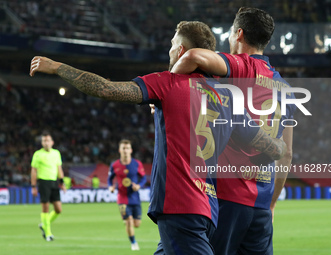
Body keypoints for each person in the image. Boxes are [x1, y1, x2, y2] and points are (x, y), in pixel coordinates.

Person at [29, 21, 286, 255]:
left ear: (181, 51)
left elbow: (106, 89)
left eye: (172, 45)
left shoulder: (167, 84)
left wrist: (58, 67)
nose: (169, 52)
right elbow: (270, 146)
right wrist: (280, 144)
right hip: (209, 210)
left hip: (181, 207)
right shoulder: (229, 100)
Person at [171, 8, 296, 255]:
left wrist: (168, 92)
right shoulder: (286, 90)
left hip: (228, 198)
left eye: (230, 32)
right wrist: (271, 205)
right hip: (261, 206)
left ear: (238, 34)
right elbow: (287, 154)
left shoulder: (241, 66)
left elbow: (194, 55)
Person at [107, 139, 146, 251]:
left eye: (127, 148)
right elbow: (109, 179)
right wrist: (110, 186)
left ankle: (127, 220)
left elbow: (143, 178)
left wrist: (138, 186)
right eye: (123, 148)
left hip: (135, 197)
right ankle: (133, 243)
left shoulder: (137, 164)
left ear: (131, 150)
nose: (125, 150)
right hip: (122, 197)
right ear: (119, 150)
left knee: (137, 224)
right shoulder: (114, 165)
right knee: (129, 221)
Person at [31, 131, 67, 241]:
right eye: (44, 141)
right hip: (43, 182)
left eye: (47, 141)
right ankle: (48, 234)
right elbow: (34, 170)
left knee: (58, 209)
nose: (46, 143)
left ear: (52, 142)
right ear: (42, 143)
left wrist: (62, 182)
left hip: (54, 182)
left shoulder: (56, 153)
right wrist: (33, 186)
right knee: (45, 208)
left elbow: (59, 168)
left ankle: (44, 224)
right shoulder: (38, 154)